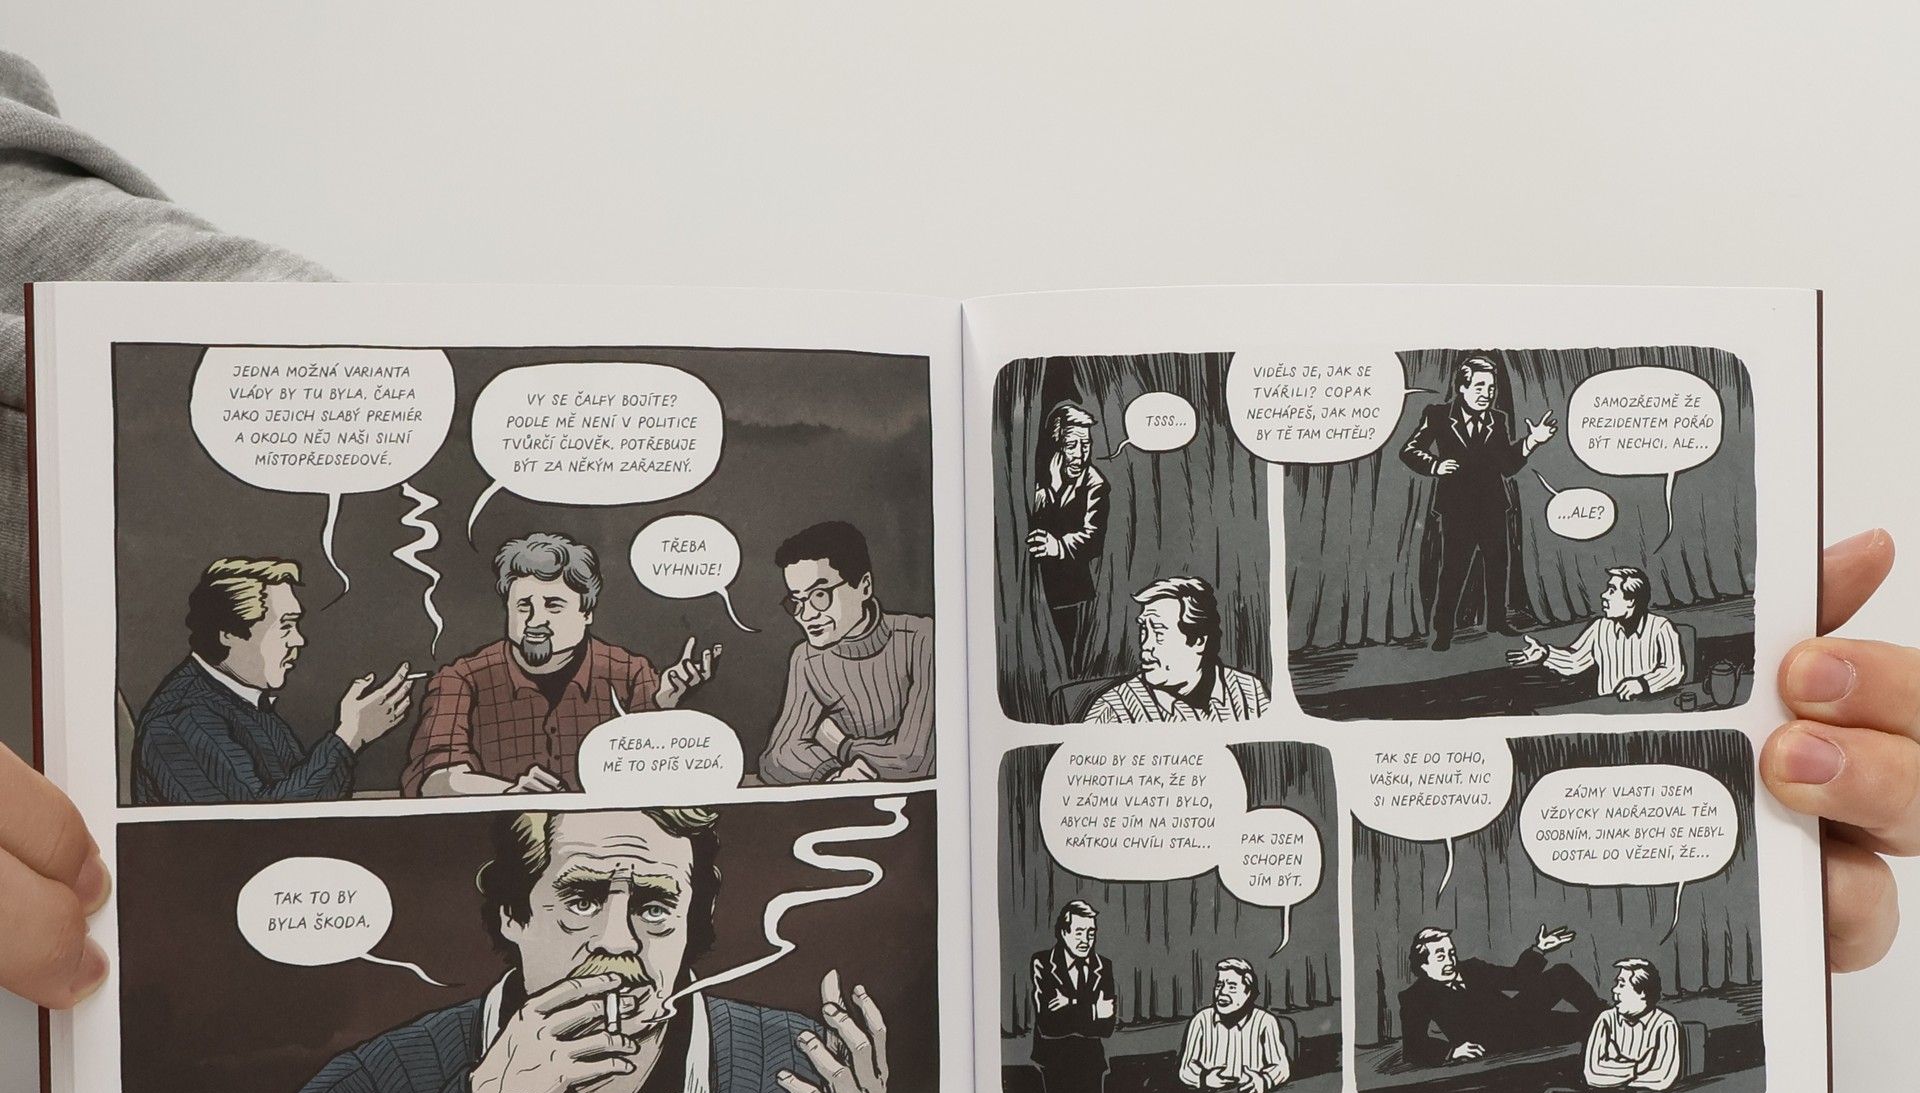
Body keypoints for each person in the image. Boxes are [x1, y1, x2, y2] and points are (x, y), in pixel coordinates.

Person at [0, 72, 1906, 1007]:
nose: (820, 603)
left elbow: (50, 246)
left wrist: (1639, 783)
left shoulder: (790, 657)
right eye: (533, 587)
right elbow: (718, 765)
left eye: (830, 585)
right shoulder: (473, 688)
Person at [250, 807, 891, 1093]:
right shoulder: (380, 1078)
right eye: (582, 900)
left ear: (693, 921)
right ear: (513, 914)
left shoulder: (801, 1068)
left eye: (654, 906)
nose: (619, 940)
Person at [401, 532, 718, 797]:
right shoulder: (461, 679)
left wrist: (662, 708)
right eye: (523, 606)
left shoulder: (629, 673)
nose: (534, 621)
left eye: (553, 606)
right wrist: (508, 793)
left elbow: (653, 775)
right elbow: (435, 780)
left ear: (586, 613)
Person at [131, 558, 414, 803]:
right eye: (286, 625)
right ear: (228, 633)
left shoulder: (245, 704)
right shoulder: (181, 721)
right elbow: (266, 824)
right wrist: (349, 736)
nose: (299, 640)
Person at [757, 520, 935, 785]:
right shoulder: (807, 658)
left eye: (819, 595)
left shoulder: (920, 638)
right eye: (796, 601)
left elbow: (915, 760)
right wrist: (832, 773)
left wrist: (839, 745)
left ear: (864, 587)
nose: (806, 615)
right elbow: (778, 756)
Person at [1399, 353, 1556, 651]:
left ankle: (1497, 621)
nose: (1487, 394)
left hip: (1493, 506)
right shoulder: (1438, 415)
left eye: (1491, 388)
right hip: (1457, 509)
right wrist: (1435, 465)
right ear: (1462, 387)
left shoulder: (1498, 419)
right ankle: (1443, 631)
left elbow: (1507, 466)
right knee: (1454, 570)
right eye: (1480, 386)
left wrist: (1532, 442)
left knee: (1498, 565)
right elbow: (1409, 450)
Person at [1398, 925, 1605, 1068]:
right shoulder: (1415, 996)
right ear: (1423, 963)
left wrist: (1539, 949)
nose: (1450, 961)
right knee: (1586, 1025)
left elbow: (1516, 978)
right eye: (1441, 956)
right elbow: (1413, 1047)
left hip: (1516, 1015)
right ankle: (1609, 1023)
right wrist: (1452, 1052)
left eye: (1451, 953)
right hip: (1495, 1040)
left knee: (1561, 973)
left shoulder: (1471, 968)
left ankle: (1608, 1016)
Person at [1083, 576, 1268, 723]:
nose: (1145, 645)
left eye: (1159, 632)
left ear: (1198, 641)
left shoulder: (1250, 693)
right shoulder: (1113, 711)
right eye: (1144, 630)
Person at [1509, 566, 1686, 700]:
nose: (1604, 595)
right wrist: (1545, 654)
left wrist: (1642, 684)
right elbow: (1575, 661)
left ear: (1631, 600)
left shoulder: (1660, 627)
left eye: (1612, 590)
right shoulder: (1600, 627)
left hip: (1648, 705)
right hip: (1609, 707)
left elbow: (1674, 670)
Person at [1025, 400, 1109, 673]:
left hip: (1074, 593)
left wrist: (1057, 546)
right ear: (1057, 446)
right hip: (1037, 587)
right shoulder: (1039, 479)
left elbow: (1093, 538)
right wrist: (1051, 488)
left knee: (1070, 661)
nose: (1081, 454)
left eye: (1086, 444)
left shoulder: (1096, 484)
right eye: (1072, 445)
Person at [1028, 900, 1117, 1093]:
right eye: (1079, 932)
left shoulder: (1103, 966)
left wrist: (1069, 1004)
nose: (1086, 940)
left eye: (1091, 933)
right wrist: (1093, 1010)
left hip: (1092, 1063)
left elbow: (1106, 1027)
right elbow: (1048, 1025)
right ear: (1063, 932)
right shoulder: (1043, 963)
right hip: (1054, 1062)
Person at [1177, 957, 1292, 1093]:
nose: (1222, 992)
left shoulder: (1265, 1021)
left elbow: (1281, 1067)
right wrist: (1205, 1078)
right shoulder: (1201, 1019)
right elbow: (1186, 1069)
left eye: (1232, 987)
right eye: (1219, 985)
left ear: (1248, 992)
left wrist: (1264, 1081)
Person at [1582, 957, 1682, 1093]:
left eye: (1622, 984)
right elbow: (1592, 1074)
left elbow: (1662, 1078)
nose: (1614, 990)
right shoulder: (1606, 1019)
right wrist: (1638, 1068)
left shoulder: (1665, 1023)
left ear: (1642, 992)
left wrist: (1613, 1071)